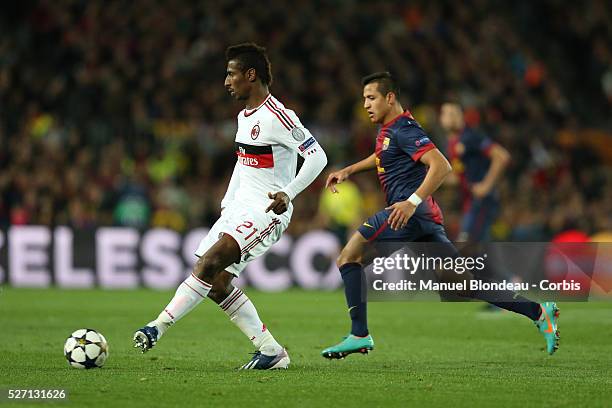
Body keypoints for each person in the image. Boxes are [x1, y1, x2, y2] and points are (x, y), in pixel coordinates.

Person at [320, 72, 559, 359]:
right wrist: (350, 170)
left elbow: (442, 166)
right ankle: (537, 311)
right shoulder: (390, 130)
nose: (366, 105)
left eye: (371, 98)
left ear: (390, 97)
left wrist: (411, 201)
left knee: (349, 256)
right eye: (364, 100)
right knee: (462, 283)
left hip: (406, 213)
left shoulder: (404, 128)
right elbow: (382, 155)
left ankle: (359, 334)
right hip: (423, 219)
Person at [133, 43, 328, 370]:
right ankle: (270, 350)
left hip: (268, 210)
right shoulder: (243, 117)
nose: (226, 81)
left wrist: (289, 192)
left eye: (231, 74)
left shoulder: (279, 116)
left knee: (209, 263)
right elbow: (244, 162)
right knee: (217, 283)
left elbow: (317, 156)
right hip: (239, 208)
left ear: (250, 75)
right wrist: (228, 200)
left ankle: (157, 327)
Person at [439, 102, 510, 242]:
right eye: (447, 113)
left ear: (462, 117)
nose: (451, 117)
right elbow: (458, 176)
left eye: (454, 113)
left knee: (466, 244)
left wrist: (486, 186)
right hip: (469, 201)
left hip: (481, 201)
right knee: (475, 249)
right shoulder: (451, 143)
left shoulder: (470, 137)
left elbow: (502, 157)